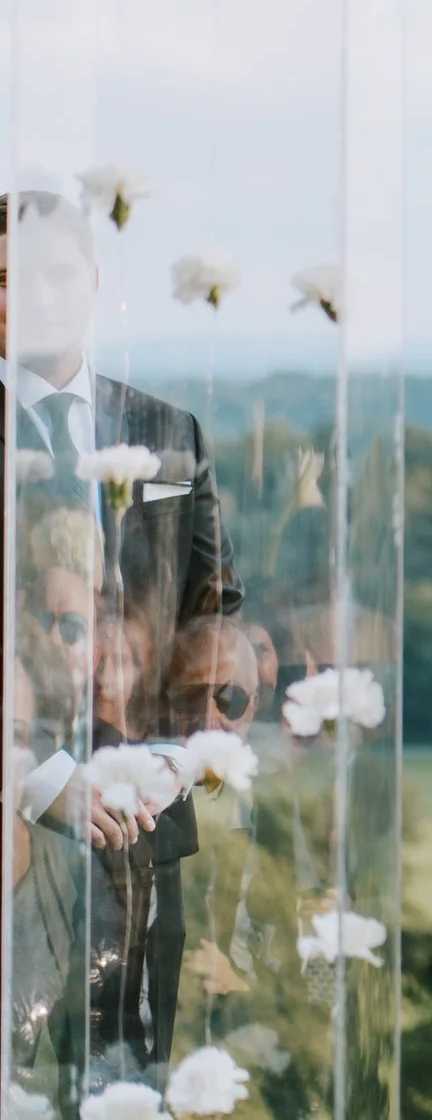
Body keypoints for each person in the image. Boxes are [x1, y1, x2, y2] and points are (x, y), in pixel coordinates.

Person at [2, 186, 238, 1076]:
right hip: (11, 844)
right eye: (8, 277)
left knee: (129, 1086)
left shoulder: (168, 431)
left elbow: (212, 611)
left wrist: (180, 756)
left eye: (58, 273)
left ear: (93, 280)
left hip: (146, 836)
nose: (36, 295)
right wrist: (34, 776)